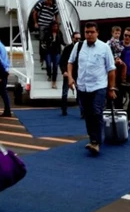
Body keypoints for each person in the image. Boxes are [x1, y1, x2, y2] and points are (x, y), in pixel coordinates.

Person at [67, 21, 116, 156]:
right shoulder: (78, 46)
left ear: (97, 33)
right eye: (87, 32)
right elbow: (70, 62)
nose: (89, 35)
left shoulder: (104, 48)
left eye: (92, 32)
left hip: (99, 86)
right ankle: (93, 139)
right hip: (82, 86)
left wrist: (111, 89)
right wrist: (70, 77)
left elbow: (111, 69)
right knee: (87, 114)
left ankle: (96, 142)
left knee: (96, 111)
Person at [58, 30, 81, 116]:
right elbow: (62, 61)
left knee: (80, 93)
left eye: (79, 39)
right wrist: (64, 71)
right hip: (69, 73)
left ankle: (82, 112)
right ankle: (64, 109)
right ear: (72, 39)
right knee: (65, 92)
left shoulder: (82, 48)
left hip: (79, 73)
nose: (78, 41)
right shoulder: (67, 48)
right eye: (76, 39)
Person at [43, 22, 64, 89]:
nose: (55, 27)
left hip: (57, 52)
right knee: (48, 65)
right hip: (48, 51)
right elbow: (43, 42)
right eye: (54, 26)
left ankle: (54, 82)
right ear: (51, 27)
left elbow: (62, 42)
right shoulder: (47, 33)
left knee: (55, 66)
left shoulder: (59, 33)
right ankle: (49, 74)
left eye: (56, 26)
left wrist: (66, 45)